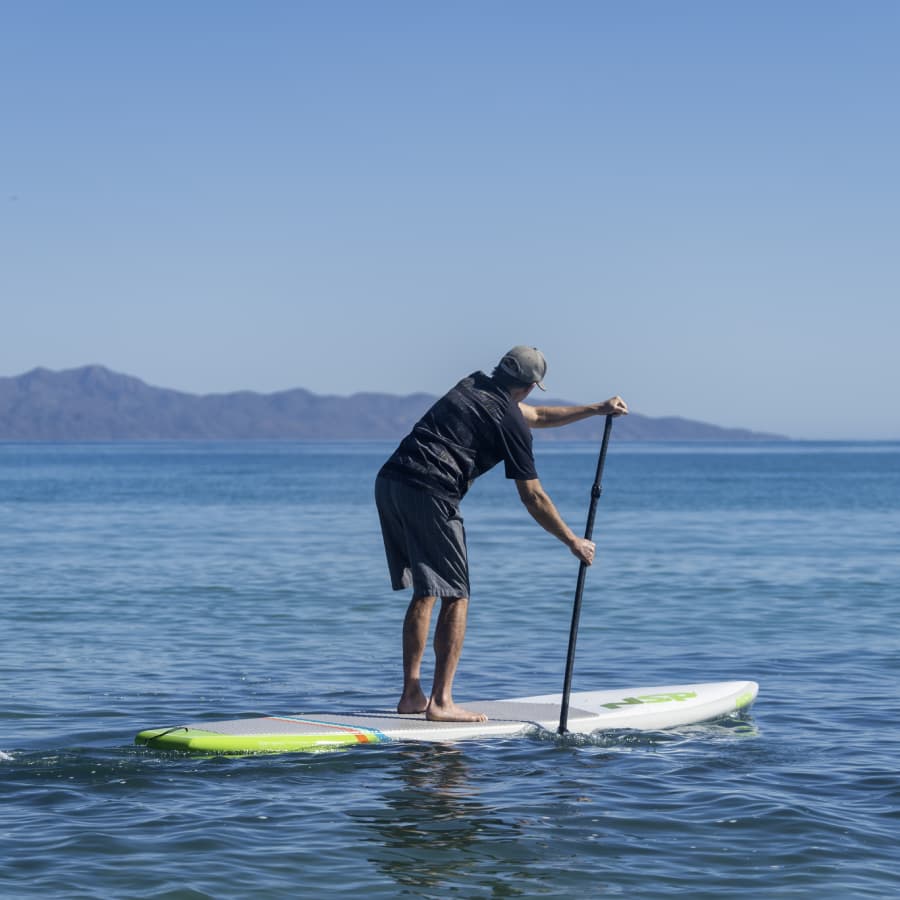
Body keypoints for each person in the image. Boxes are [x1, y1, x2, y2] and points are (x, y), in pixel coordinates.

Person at [374, 346, 628, 723]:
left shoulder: (472, 383)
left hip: (391, 481)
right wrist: (572, 540)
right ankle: (441, 702)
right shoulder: (509, 420)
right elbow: (534, 496)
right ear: (529, 386)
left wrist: (594, 409)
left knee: (428, 591)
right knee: (455, 595)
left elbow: (538, 415)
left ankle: (412, 694)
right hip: (432, 491)